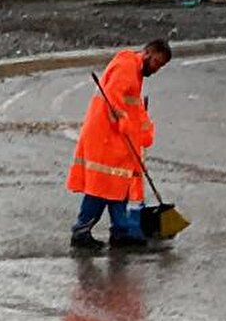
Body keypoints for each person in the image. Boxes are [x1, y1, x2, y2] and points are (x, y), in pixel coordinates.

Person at [68, 38, 172, 252]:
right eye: (156, 64)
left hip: (114, 138)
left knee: (118, 185)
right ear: (147, 54)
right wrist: (123, 121)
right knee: (101, 186)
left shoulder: (134, 70)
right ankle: (81, 231)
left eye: (160, 67)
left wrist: (145, 129)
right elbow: (113, 99)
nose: (156, 69)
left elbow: (132, 104)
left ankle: (121, 231)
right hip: (104, 137)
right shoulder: (126, 65)